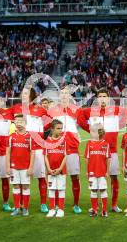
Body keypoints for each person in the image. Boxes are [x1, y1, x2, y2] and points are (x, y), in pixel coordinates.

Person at [45, 86, 89, 214]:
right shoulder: (52, 111)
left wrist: (97, 133)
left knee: (74, 177)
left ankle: (76, 204)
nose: (64, 95)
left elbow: (83, 124)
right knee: (56, 176)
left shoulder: (76, 110)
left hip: (72, 149)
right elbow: (45, 126)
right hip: (57, 150)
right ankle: (56, 206)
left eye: (66, 93)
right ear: (59, 96)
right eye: (62, 93)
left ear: (69, 96)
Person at [81, 88, 125, 212]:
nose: (102, 98)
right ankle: (96, 205)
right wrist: (89, 129)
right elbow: (80, 115)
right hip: (97, 152)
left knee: (114, 178)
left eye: (104, 96)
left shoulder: (116, 110)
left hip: (112, 151)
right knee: (97, 179)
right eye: (100, 96)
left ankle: (114, 204)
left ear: (109, 98)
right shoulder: (92, 111)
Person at [11, 88, 50, 213]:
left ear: (32, 96)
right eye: (22, 94)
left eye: (27, 94)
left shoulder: (40, 109)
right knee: (21, 179)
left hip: (37, 148)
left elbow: (50, 121)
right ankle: (20, 204)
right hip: (21, 147)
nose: (24, 96)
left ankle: (43, 203)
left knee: (41, 177)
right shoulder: (16, 108)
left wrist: (40, 132)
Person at [6, 114, 34, 216]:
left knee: (26, 186)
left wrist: (31, 167)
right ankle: (17, 208)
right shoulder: (11, 137)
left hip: (25, 167)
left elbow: (32, 152)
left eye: (21, 122)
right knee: (16, 186)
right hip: (14, 167)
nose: (19, 124)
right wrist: (7, 166)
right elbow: (8, 152)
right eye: (17, 122)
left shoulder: (29, 137)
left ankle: (25, 208)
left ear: (26, 123)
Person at [85, 123, 111, 217]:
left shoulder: (105, 144)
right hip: (92, 172)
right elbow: (87, 158)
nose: (90, 133)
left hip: (102, 172)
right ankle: (95, 210)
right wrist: (87, 171)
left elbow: (108, 158)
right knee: (93, 190)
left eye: (92, 131)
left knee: (103, 190)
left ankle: (104, 211)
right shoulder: (89, 144)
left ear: (97, 133)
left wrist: (107, 171)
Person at [44, 119, 67, 218]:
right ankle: (52, 209)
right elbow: (45, 155)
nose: (60, 130)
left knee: (61, 189)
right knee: (52, 189)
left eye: (61, 128)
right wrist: (48, 168)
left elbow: (66, 155)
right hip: (50, 170)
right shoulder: (47, 141)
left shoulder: (64, 140)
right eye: (58, 128)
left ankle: (61, 209)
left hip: (61, 171)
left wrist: (60, 168)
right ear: (52, 129)